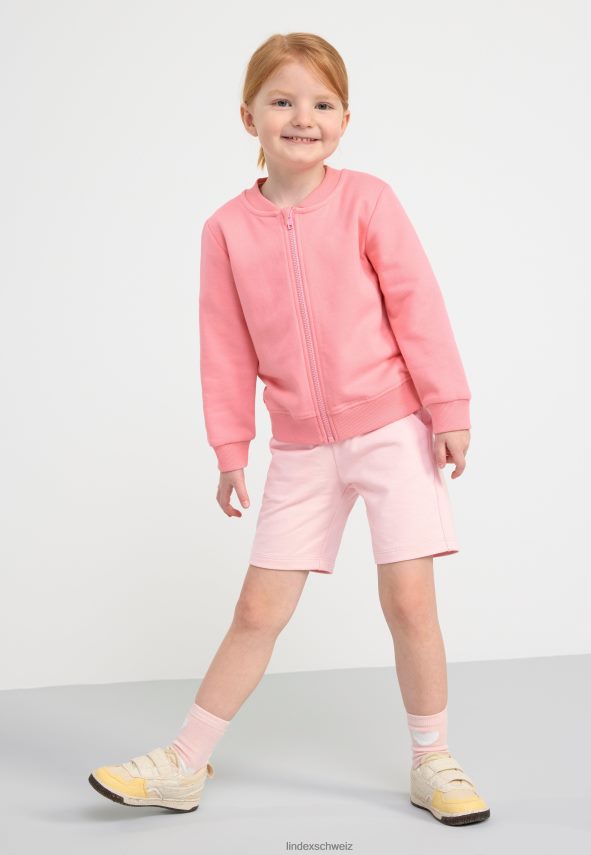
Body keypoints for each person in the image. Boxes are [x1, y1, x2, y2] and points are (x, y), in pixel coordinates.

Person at [88, 31, 490, 827]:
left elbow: (417, 305)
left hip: (392, 430)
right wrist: (229, 446)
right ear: (249, 117)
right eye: (282, 101)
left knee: (410, 601)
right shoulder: (225, 229)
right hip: (300, 448)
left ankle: (432, 760)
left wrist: (448, 408)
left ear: (344, 119)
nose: (303, 117)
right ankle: (184, 762)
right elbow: (224, 344)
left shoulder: (368, 200)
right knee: (256, 611)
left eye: (322, 103)